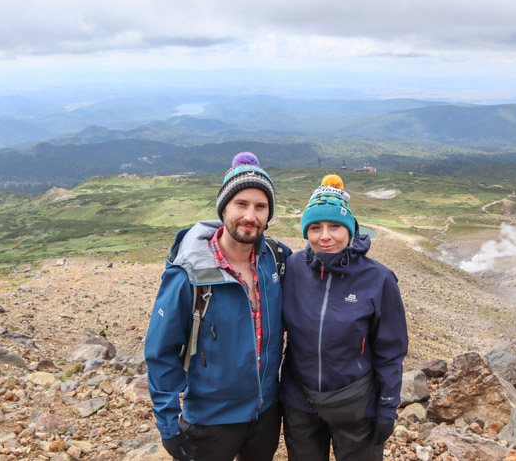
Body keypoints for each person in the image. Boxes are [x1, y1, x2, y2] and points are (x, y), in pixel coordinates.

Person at [145, 152, 292, 461]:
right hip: (211, 422)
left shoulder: (277, 260)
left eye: (260, 207)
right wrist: (168, 425)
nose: (250, 216)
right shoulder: (188, 275)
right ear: (224, 207)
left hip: (265, 414)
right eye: (241, 204)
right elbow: (161, 352)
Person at [280, 174, 408, 461]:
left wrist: (387, 407)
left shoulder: (379, 279)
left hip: (355, 406)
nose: (325, 236)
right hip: (299, 402)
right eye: (315, 227)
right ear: (306, 232)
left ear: (350, 228)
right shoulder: (292, 269)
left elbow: (391, 350)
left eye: (335, 226)